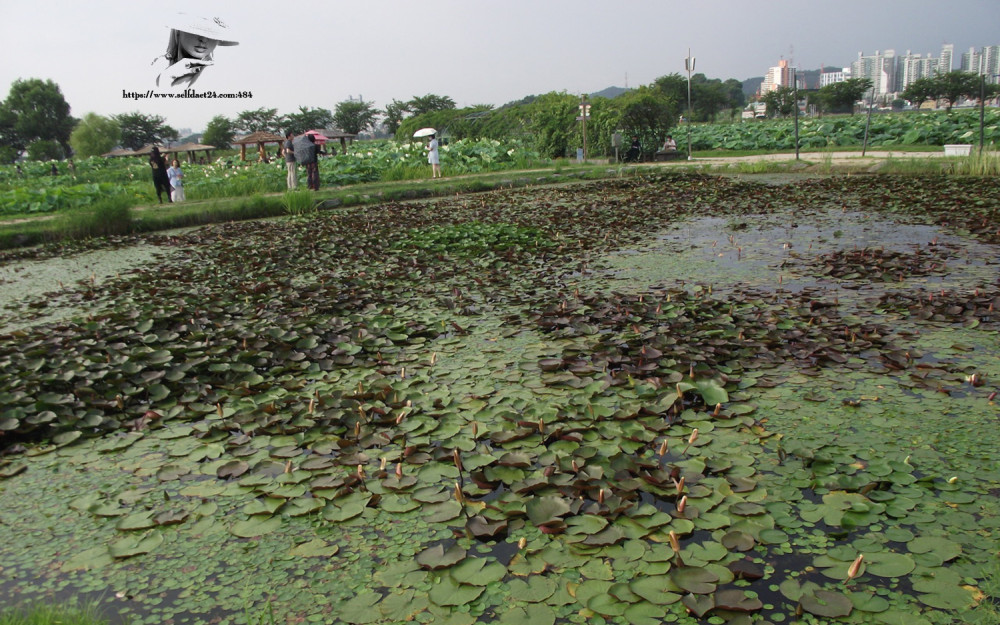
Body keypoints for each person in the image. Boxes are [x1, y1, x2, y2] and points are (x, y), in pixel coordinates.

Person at [153, 14, 239, 89]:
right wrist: (164, 79)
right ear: (178, 32)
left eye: (212, 34)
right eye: (197, 31)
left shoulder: (218, 74)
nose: (204, 39)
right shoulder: (158, 66)